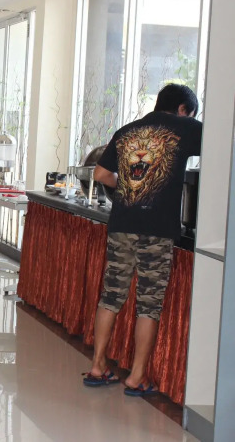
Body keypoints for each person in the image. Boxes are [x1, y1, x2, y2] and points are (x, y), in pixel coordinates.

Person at [83, 83, 203, 396]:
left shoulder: (127, 131)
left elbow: (101, 175)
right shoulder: (187, 128)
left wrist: (131, 186)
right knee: (148, 304)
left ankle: (97, 366)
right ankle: (136, 377)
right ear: (183, 109)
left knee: (111, 295)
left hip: (122, 223)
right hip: (157, 229)